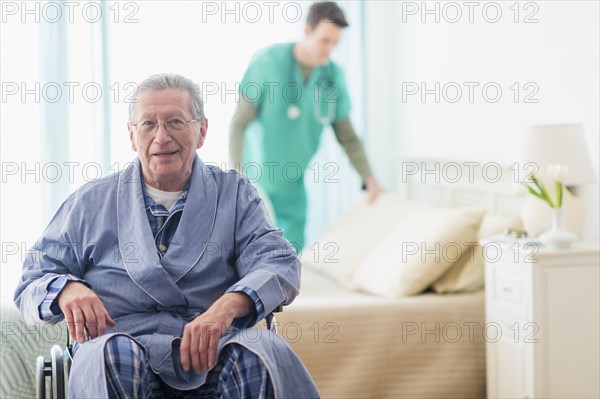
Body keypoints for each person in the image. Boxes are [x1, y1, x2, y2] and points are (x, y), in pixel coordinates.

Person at [14, 73, 319, 398]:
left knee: (261, 352)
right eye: (148, 124)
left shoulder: (235, 194)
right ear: (132, 136)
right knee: (111, 356)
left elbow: (279, 262)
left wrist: (226, 307)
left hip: (214, 348)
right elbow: (31, 281)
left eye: (175, 121)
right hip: (122, 347)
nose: (161, 137)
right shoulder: (90, 202)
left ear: (201, 130)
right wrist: (65, 289)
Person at [230, 1, 383, 251]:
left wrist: (369, 178)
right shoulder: (268, 62)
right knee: (247, 254)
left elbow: (348, 137)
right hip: (255, 182)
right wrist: (235, 175)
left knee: (291, 256)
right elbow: (239, 124)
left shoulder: (333, 77)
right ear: (307, 32)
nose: (330, 49)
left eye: (335, 42)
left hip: (293, 186)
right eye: (325, 41)